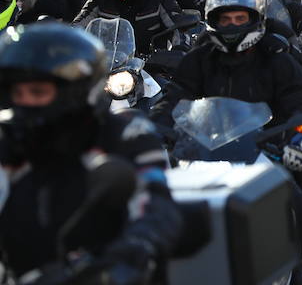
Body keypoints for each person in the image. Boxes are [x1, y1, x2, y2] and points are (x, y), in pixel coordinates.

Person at [0, 23, 182, 279]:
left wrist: (126, 259)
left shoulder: (125, 136)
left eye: (38, 92)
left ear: (74, 92)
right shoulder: (10, 141)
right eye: (17, 93)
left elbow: (155, 206)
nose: (25, 102)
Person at [168, 0, 302, 270]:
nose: (232, 25)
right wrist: (153, 130)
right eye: (225, 19)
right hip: (207, 148)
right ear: (212, 22)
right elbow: (173, 98)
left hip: (268, 146)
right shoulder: (199, 58)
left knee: (298, 198)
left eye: (240, 19)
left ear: (256, 19)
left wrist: (298, 140)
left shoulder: (278, 57)